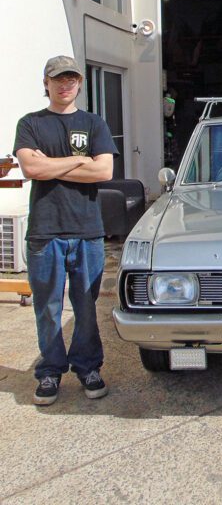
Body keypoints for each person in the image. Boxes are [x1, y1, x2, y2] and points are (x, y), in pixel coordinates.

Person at [13, 55, 118, 405]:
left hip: (87, 230)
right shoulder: (30, 123)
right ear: (46, 82)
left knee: (86, 306)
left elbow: (103, 172)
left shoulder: (93, 123)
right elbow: (30, 168)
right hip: (45, 232)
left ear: (79, 83)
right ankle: (50, 372)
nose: (65, 84)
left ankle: (88, 367)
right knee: (47, 307)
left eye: (71, 78)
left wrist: (50, 165)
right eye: (58, 78)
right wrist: (78, 160)